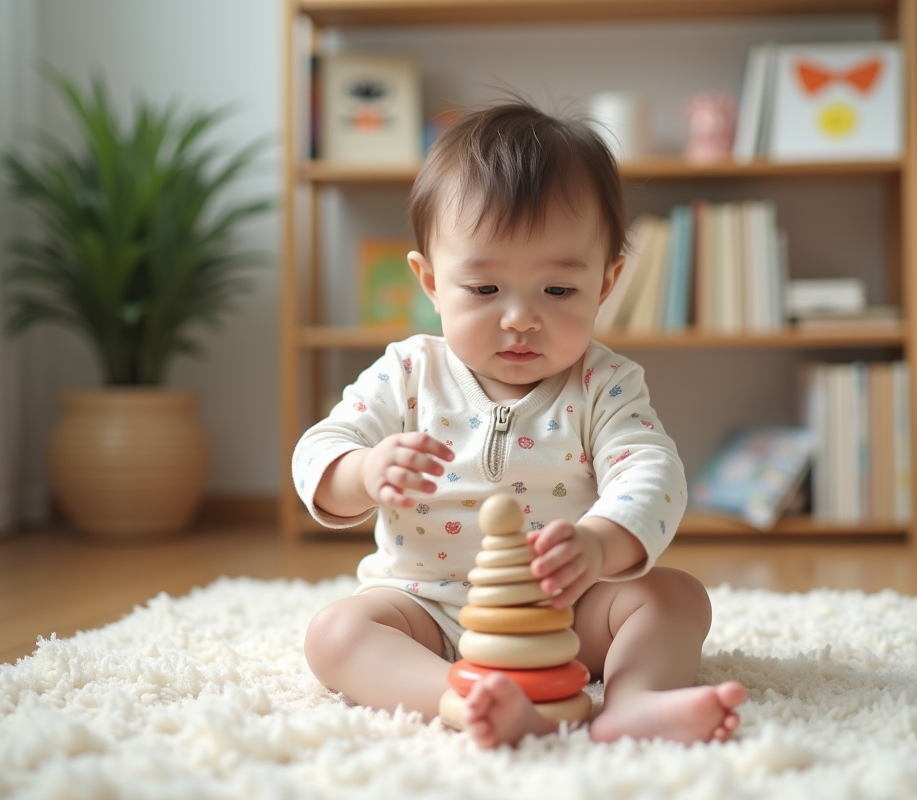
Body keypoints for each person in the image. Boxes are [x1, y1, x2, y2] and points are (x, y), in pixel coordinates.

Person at [293, 102, 745, 749]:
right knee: (335, 633)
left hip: (564, 616)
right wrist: (364, 470)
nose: (520, 319)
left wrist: (597, 546)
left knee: (676, 598)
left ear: (606, 282)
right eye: (484, 290)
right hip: (428, 611)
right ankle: (467, 699)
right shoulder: (409, 372)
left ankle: (633, 701)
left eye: (557, 291)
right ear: (430, 281)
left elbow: (652, 473)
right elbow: (319, 450)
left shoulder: (604, 383)